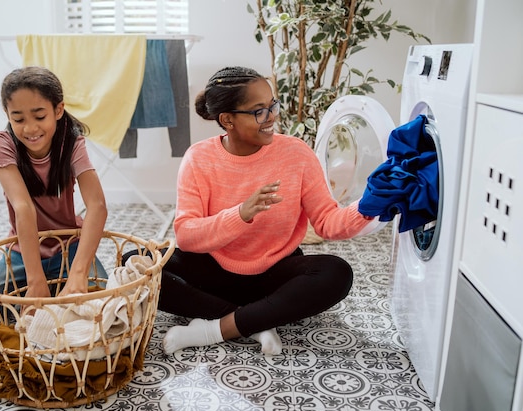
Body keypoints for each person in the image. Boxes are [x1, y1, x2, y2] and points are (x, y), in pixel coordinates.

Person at [151, 66, 378, 355]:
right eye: (259, 111)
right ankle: (256, 320)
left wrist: (368, 206)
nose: (271, 117)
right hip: (214, 272)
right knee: (141, 263)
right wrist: (241, 214)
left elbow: (326, 222)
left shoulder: (296, 153)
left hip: (275, 274)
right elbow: (186, 236)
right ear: (227, 119)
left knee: (337, 272)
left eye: (272, 105)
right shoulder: (199, 158)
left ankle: (215, 328)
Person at [0, 66, 108, 336]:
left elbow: (97, 206)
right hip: (22, 252)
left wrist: (77, 274)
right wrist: (34, 279)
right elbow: (23, 208)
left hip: (70, 247)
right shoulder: (2, 142)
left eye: (39, 116)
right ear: (8, 116)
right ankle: (48, 294)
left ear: (58, 110)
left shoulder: (72, 143)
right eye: (18, 119)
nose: (30, 128)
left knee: (103, 311)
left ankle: (57, 290)